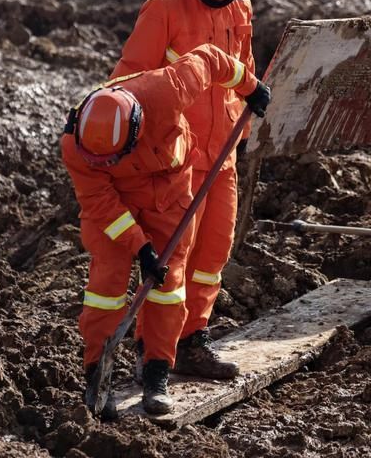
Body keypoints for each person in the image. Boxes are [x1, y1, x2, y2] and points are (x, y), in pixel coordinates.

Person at [62, 42, 268, 418]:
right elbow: (101, 205)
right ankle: (97, 375)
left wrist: (250, 87)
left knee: (168, 285)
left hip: (169, 195)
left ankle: (156, 372)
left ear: (136, 129)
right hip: (116, 205)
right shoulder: (76, 147)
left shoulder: (168, 88)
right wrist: (141, 249)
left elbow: (211, 57)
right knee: (106, 288)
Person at [110, 0, 266, 380]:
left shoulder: (240, 8)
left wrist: (246, 120)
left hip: (223, 155)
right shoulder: (164, 9)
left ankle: (192, 339)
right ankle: (152, 352)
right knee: (172, 260)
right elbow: (130, 82)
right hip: (176, 160)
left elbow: (243, 70)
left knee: (212, 254)